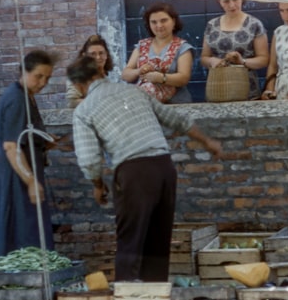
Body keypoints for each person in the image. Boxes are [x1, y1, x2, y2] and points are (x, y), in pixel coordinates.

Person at [67, 55, 221, 281]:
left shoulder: (84, 110)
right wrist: (207, 142)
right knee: (158, 240)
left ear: (79, 85)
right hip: (163, 167)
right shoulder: (134, 92)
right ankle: (156, 297)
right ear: (101, 73)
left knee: (130, 241)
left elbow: (89, 159)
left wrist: (98, 185)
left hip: (133, 173)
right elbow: (176, 119)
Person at [0, 49, 60, 256]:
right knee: (20, 225)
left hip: (22, 164)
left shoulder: (27, 96)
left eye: (47, 78)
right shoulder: (17, 98)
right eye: (38, 76)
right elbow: (11, 146)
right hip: (14, 169)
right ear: (23, 72)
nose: (42, 83)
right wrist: (30, 180)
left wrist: (43, 141)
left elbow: (24, 133)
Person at [121, 3, 194, 104]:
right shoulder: (141, 46)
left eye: (164, 20)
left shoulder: (183, 47)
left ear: (173, 21)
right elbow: (125, 75)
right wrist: (139, 71)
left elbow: (184, 78)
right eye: (154, 22)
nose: (159, 25)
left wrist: (161, 78)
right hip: (146, 107)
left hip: (175, 106)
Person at [199, 0, 269, 100]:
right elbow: (204, 58)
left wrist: (242, 61)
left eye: (235, 0)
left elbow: (264, 59)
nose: (232, 5)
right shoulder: (211, 25)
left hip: (246, 89)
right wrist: (211, 61)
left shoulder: (254, 24)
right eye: (226, 1)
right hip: (218, 87)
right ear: (220, 2)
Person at [65, 35, 115, 108]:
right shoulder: (77, 75)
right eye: (93, 54)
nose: (98, 57)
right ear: (84, 56)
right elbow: (72, 102)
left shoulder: (106, 75)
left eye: (101, 53)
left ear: (106, 55)